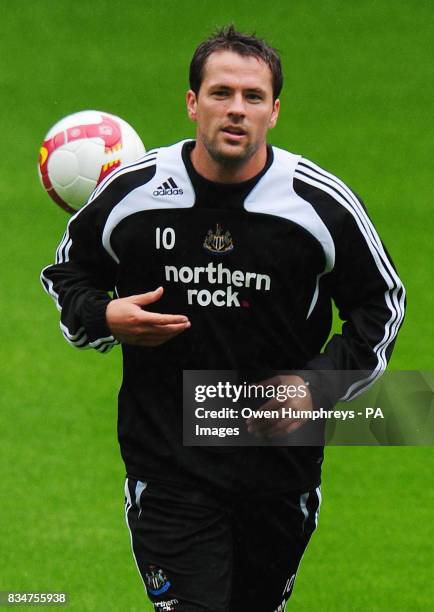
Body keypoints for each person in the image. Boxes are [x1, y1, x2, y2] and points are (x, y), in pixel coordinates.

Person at [41, 25, 405, 612]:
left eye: (253, 97)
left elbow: (382, 303)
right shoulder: (133, 195)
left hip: (278, 469)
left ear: (275, 111)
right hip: (168, 467)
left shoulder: (317, 205)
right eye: (220, 93)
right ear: (192, 103)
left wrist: (318, 385)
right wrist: (105, 315)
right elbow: (68, 275)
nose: (236, 109)